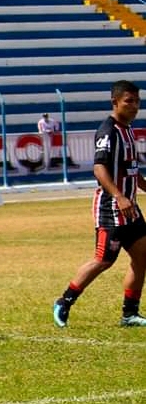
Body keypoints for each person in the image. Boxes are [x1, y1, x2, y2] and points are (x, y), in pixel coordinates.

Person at [53, 80, 146, 329]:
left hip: (131, 209)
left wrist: (143, 186)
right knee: (103, 260)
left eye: (137, 101)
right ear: (115, 102)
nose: (134, 106)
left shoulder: (128, 130)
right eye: (129, 101)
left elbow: (130, 169)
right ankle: (64, 301)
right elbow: (99, 168)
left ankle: (129, 314)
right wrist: (118, 196)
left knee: (142, 257)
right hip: (111, 209)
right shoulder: (108, 131)